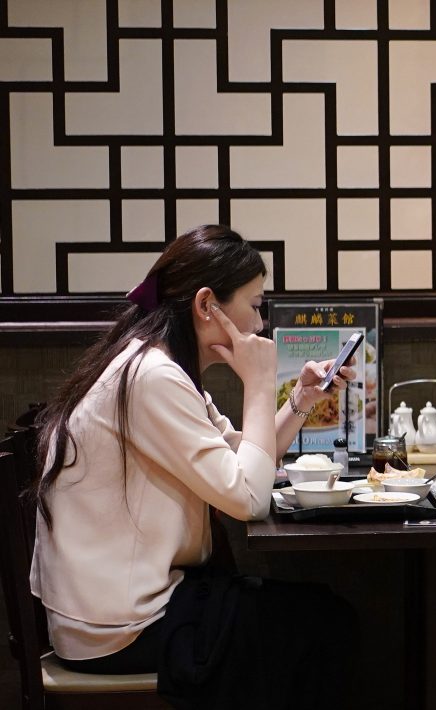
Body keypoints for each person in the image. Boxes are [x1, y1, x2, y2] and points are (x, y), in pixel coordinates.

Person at [29, 225, 356, 708]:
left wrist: (302, 400)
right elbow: (248, 498)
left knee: (312, 614)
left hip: (113, 611)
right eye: (255, 304)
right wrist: (260, 384)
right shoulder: (152, 377)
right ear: (207, 305)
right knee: (324, 622)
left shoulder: (157, 366)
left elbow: (246, 456)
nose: (260, 325)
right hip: (118, 627)